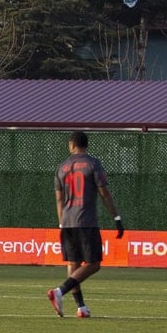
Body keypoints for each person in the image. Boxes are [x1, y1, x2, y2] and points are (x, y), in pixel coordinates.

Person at [48, 130, 122, 319]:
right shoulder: (93, 164)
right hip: (86, 221)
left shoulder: (61, 167)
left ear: (72, 145)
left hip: (66, 222)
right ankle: (59, 291)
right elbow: (104, 193)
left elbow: (58, 199)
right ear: (85, 145)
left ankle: (81, 307)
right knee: (94, 264)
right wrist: (116, 218)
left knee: (74, 263)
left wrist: (61, 222)